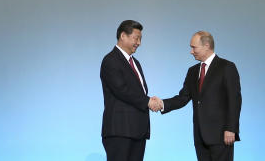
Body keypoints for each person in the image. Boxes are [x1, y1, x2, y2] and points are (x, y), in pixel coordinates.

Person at [160, 31, 241, 161]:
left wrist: (231, 129)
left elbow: (234, 100)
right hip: (200, 135)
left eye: (194, 47)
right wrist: (162, 104)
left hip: (221, 135)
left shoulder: (227, 67)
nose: (191, 51)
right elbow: (183, 98)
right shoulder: (192, 71)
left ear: (207, 45)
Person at [100, 20, 163, 161]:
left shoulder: (136, 63)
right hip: (120, 130)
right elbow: (121, 90)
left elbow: (139, 92)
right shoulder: (110, 60)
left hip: (137, 130)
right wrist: (148, 102)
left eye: (140, 39)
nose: (139, 43)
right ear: (123, 36)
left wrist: (149, 100)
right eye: (136, 38)